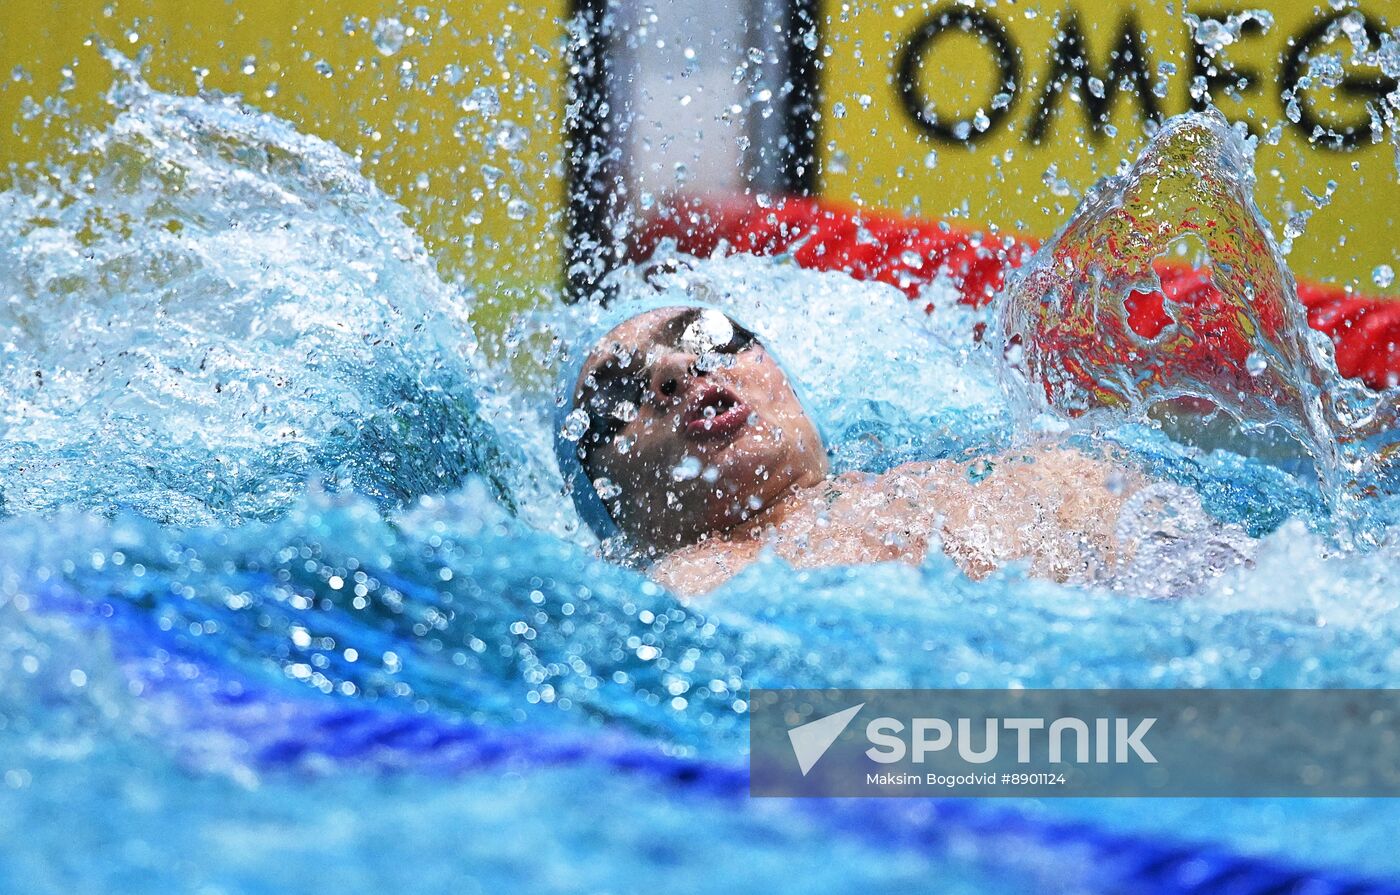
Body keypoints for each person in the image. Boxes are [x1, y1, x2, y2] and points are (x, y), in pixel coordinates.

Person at [555, 300, 1250, 597]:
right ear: (611, 503)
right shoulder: (683, 589)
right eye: (618, 394)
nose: (676, 369)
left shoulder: (1039, 473)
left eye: (707, 334)